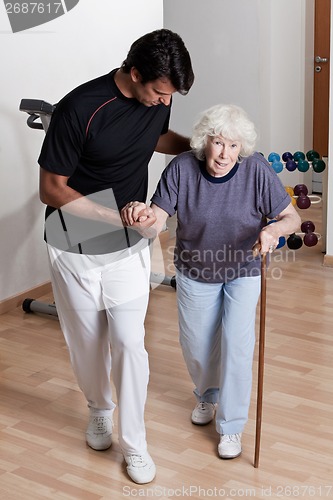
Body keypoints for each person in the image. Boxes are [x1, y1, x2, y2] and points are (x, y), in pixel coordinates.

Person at [38, 28, 194, 484]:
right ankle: (98, 408)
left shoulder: (159, 99)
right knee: (87, 345)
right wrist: (119, 218)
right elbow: (51, 188)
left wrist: (198, 148)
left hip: (128, 247)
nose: (164, 103)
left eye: (172, 96)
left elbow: (156, 137)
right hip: (74, 243)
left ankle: (136, 444)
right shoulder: (80, 108)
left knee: (129, 343)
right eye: (159, 93)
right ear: (134, 73)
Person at [121, 104, 301, 460]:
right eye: (218, 143)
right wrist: (141, 219)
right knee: (197, 346)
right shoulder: (181, 169)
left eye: (233, 146)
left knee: (237, 345)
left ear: (242, 149)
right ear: (205, 142)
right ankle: (206, 395)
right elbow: (157, 220)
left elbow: (291, 218)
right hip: (195, 269)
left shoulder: (257, 171)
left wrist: (273, 230)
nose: (225, 154)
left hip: (244, 269)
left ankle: (231, 426)